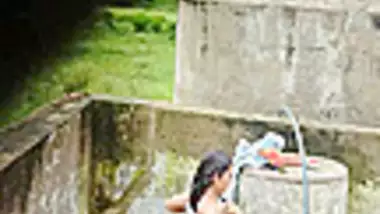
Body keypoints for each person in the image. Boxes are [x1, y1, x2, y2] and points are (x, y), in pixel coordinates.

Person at [165, 150, 241, 214]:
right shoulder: (217, 209)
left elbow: (168, 205)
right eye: (229, 176)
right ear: (216, 177)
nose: (230, 181)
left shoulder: (192, 199)